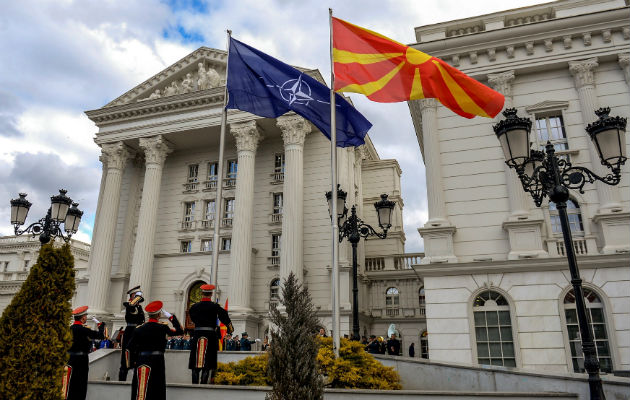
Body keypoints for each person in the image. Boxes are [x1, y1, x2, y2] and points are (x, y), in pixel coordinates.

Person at [128, 300, 182, 400]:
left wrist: (132, 364)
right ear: (159, 315)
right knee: (157, 387)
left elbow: (130, 348)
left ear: (149, 315)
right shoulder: (163, 327)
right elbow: (180, 331)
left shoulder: (139, 328)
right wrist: (171, 318)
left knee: (142, 388)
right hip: (157, 360)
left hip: (142, 360)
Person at [188, 284, 233, 384]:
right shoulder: (215, 306)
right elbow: (224, 316)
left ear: (202, 293)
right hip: (210, 335)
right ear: (211, 294)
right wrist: (230, 328)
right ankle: (203, 386)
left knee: (195, 361)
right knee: (207, 362)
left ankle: (194, 386)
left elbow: (192, 317)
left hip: (198, 333)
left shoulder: (194, 307)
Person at [62, 306, 105, 400]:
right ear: (83, 318)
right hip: (81, 360)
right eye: (85, 316)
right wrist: (101, 326)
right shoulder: (84, 329)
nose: (86, 317)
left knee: (70, 382)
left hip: (69, 358)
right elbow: (101, 336)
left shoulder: (69, 329)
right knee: (80, 383)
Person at [119, 286, 145, 381]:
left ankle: (137, 379)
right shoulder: (129, 305)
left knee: (138, 356)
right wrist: (135, 299)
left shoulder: (139, 307)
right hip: (130, 332)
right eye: (136, 295)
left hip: (138, 332)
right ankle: (122, 379)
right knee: (126, 358)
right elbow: (131, 306)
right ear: (133, 296)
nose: (139, 297)